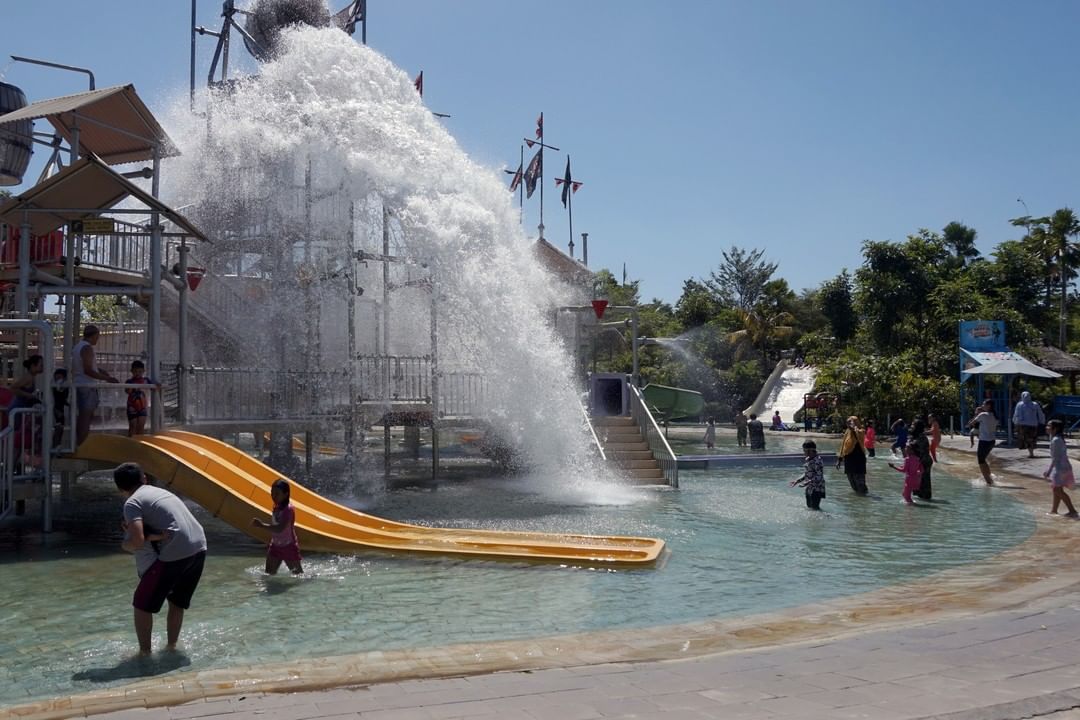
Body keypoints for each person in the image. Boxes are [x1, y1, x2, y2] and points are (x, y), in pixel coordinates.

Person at [115, 462, 207, 655]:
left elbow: (137, 541)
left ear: (121, 489)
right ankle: (171, 646)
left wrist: (125, 545)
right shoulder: (160, 492)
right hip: (199, 546)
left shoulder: (132, 503)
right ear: (144, 478)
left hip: (176, 551)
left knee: (141, 604)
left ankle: (144, 654)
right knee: (176, 601)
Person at [73, 325, 119, 446]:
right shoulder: (87, 348)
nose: (97, 340)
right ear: (93, 336)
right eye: (97, 337)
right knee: (85, 418)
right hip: (86, 386)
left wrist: (100, 371)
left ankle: (80, 443)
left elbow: (87, 366)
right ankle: (80, 445)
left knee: (85, 417)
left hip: (81, 384)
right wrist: (107, 379)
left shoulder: (78, 347)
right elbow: (87, 370)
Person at [251, 478, 303, 574]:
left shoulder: (288, 509)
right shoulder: (276, 506)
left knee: (298, 576)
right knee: (268, 574)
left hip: (289, 546)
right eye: (272, 493)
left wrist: (261, 525)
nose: (273, 496)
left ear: (286, 494)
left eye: (277, 493)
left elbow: (280, 528)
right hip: (275, 545)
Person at [1043, 419, 1078, 518]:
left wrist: (1048, 471)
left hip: (1061, 468)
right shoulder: (1055, 438)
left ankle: (1072, 511)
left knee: (1057, 490)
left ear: (1055, 428)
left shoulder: (1056, 440)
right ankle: (1054, 511)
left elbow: (1056, 458)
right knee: (1056, 489)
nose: (1046, 427)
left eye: (1049, 426)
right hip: (1062, 467)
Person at [836, 415, 868, 495]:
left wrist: (854, 428)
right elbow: (843, 445)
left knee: (860, 483)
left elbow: (860, 434)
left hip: (859, 460)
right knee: (852, 482)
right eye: (848, 423)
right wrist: (839, 459)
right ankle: (858, 499)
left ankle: (864, 497)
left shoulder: (861, 430)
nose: (848, 424)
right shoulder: (847, 432)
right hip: (849, 459)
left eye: (851, 422)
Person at [125, 360, 158, 437]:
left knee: (141, 425)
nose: (137, 373)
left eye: (140, 371)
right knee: (133, 425)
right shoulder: (129, 381)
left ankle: (140, 442)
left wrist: (157, 385)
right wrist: (133, 388)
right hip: (132, 407)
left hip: (142, 407)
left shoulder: (146, 380)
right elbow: (127, 391)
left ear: (143, 371)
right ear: (131, 371)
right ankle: (130, 442)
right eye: (135, 371)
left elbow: (153, 387)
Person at [969, 400, 998, 486]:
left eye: (983, 404)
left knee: (981, 461)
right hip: (992, 441)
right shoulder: (994, 416)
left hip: (984, 441)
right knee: (983, 460)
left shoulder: (983, 415)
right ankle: (989, 477)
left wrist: (977, 415)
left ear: (988, 406)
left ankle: (989, 482)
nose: (982, 406)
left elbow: (972, 423)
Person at [790, 439, 825, 510]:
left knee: (815, 508)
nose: (804, 452)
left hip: (817, 488)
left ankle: (827, 517)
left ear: (811, 450)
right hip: (809, 487)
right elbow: (807, 473)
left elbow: (819, 476)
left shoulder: (817, 461)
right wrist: (797, 481)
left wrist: (807, 482)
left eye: (805, 450)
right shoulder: (808, 459)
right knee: (809, 507)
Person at [889, 440, 924, 505]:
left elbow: (903, 470)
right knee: (905, 494)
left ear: (912, 450)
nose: (905, 449)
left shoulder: (907, 459)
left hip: (909, 479)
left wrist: (893, 466)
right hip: (916, 479)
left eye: (907, 448)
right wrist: (918, 473)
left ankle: (910, 511)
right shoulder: (917, 458)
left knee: (906, 497)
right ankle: (912, 506)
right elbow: (921, 469)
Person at [1013, 391, 1046, 459]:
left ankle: (1030, 452)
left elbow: (1016, 414)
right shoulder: (1035, 404)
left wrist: (1015, 422)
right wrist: (1042, 421)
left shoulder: (1019, 404)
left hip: (1023, 425)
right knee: (1032, 439)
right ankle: (1031, 453)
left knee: (1025, 438)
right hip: (1033, 424)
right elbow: (1040, 413)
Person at [909, 419, 934, 499]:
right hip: (919, 462)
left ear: (917, 427)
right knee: (919, 484)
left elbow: (915, 447)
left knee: (924, 485)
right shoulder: (915, 435)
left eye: (913, 425)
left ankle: (926, 500)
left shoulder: (921, 437)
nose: (911, 426)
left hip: (924, 462)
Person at [52, 368, 69, 447]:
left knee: (59, 430)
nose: (58, 380)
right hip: (57, 410)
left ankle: (56, 447)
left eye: (60, 378)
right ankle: (55, 447)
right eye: (57, 377)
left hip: (59, 410)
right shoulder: (58, 386)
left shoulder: (65, 386)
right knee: (58, 430)